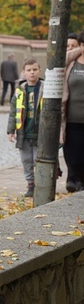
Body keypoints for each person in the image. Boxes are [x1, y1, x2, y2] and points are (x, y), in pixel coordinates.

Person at [7, 59, 43, 198]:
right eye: (29, 70)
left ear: (39, 70)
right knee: (26, 160)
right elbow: (13, 111)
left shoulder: (45, 87)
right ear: (24, 73)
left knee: (37, 160)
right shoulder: (19, 90)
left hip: (40, 132)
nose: (32, 72)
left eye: (34, 69)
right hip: (23, 132)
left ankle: (41, 183)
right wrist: (11, 130)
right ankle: (30, 184)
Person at [61, 32, 84, 192]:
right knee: (74, 160)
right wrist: (77, 51)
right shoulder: (71, 62)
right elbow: (57, 61)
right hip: (72, 122)